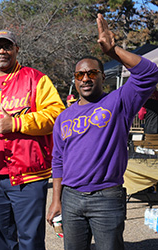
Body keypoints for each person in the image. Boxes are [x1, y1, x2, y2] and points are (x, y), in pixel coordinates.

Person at [47, 14, 158, 250]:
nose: (85, 78)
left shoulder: (119, 101)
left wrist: (113, 51)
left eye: (92, 73)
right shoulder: (63, 117)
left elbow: (149, 73)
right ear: (75, 81)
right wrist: (56, 200)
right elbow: (58, 160)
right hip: (71, 198)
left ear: (103, 77)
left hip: (107, 198)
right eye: (80, 75)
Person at [0, 30, 65, 249]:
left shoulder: (36, 79)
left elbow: (57, 115)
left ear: (17, 49)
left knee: (30, 240)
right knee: (0, 240)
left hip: (28, 176)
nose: (2, 51)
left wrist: (17, 123)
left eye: (7, 46)